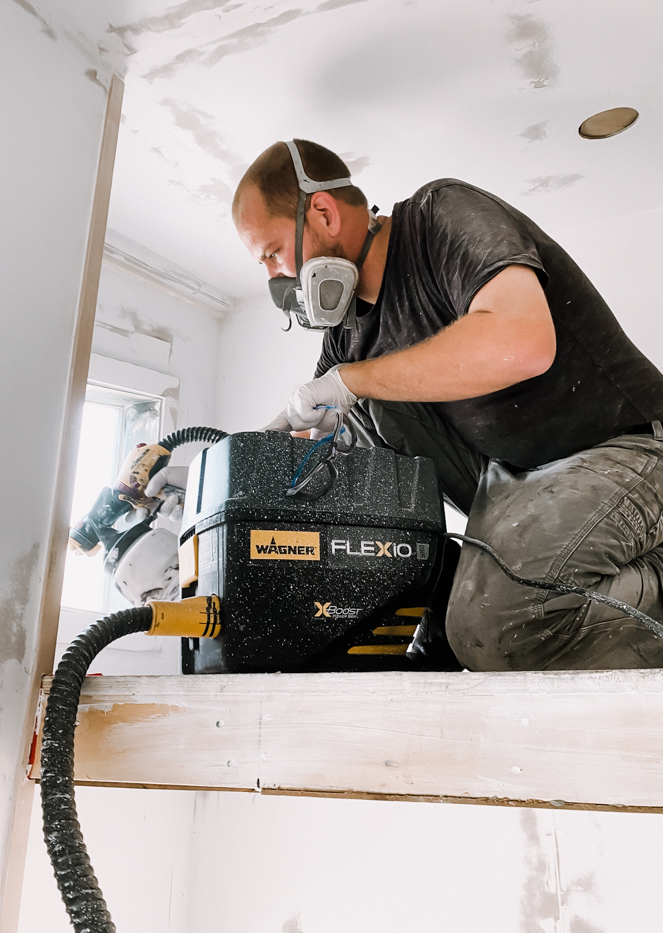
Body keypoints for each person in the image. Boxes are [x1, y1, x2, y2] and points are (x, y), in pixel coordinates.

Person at [232, 138, 663, 672]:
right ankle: (437, 578)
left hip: (626, 445)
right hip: (510, 477)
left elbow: (522, 343)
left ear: (322, 212)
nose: (276, 277)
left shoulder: (441, 216)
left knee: (495, 626)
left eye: (273, 253)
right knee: (355, 423)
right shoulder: (348, 337)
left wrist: (353, 381)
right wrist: (235, 473)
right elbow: (315, 454)